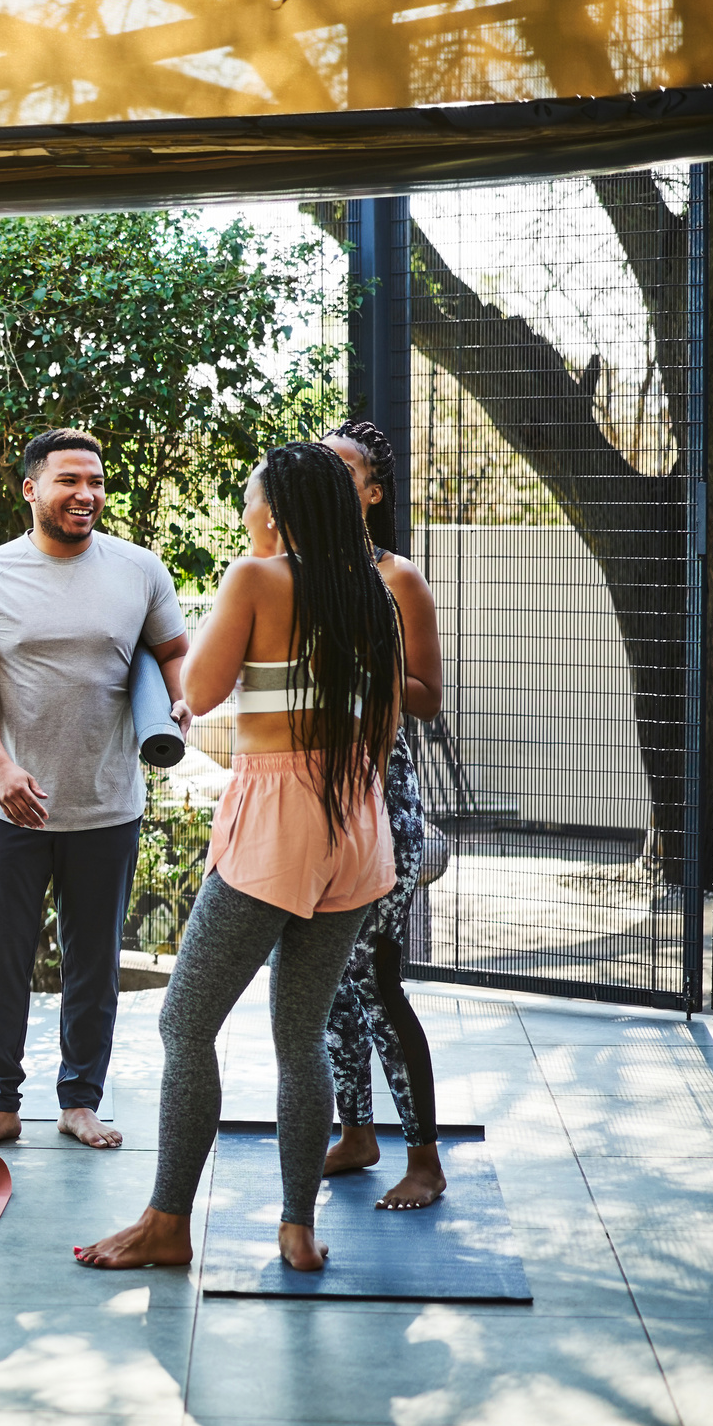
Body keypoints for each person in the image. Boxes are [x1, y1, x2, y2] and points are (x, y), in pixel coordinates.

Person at [75, 441, 403, 1273]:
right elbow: (387, 723)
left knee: (185, 1022)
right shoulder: (374, 590)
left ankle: (167, 1221)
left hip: (277, 821)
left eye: (252, 499)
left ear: (277, 512)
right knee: (301, 1035)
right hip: (356, 822)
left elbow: (201, 691)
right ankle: (296, 1227)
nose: (245, 513)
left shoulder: (256, 577)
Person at [0, 429, 190, 1153]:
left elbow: (174, 655)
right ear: (31, 489)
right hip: (9, 808)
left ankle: (81, 1101)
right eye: (69, 480)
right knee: (0, 964)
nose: (87, 494)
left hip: (108, 806)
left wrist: (179, 701)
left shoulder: (139, 570)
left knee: (94, 967)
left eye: (96, 481)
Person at [320, 418, 448, 1210]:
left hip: (382, 800)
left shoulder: (398, 578)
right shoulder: (288, 574)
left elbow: (427, 698)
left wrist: (363, 665)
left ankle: (424, 1157)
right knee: (328, 979)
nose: (330, 480)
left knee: (374, 974)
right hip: (311, 801)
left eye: (346, 470)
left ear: (372, 492)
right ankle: (357, 1132)